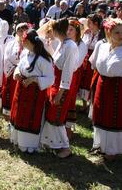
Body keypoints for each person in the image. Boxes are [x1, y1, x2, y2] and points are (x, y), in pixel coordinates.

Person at [89, 18, 122, 160]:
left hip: (118, 89)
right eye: (117, 32)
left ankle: (113, 150)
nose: (121, 35)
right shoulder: (102, 46)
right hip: (102, 85)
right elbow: (95, 64)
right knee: (100, 114)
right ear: (108, 32)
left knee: (114, 118)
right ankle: (100, 145)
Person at [10, 29, 54, 153]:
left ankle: (29, 144)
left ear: (29, 41)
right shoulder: (26, 53)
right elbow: (19, 66)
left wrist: (34, 79)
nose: (22, 43)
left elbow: (50, 79)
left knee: (30, 116)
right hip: (22, 90)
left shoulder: (44, 60)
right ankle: (18, 140)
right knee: (19, 114)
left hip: (34, 95)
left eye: (24, 41)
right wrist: (18, 73)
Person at [41, 18, 78, 158]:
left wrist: (61, 92)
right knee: (52, 114)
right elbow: (55, 60)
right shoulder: (62, 44)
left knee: (57, 116)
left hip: (63, 85)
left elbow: (68, 71)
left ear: (57, 30)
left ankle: (65, 147)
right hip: (55, 83)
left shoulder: (70, 46)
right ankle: (52, 143)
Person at [65, 19, 87, 138]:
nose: (68, 31)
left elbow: (76, 64)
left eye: (71, 29)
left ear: (76, 31)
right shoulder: (65, 41)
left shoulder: (81, 45)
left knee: (69, 98)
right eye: (67, 29)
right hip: (63, 71)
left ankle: (68, 128)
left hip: (72, 74)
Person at [1, 23, 29, 117]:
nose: (22, 33)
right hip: (12, 73)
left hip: (25, 74)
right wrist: (13, 69)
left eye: (24, 30)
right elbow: (6, 57)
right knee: (10, 94)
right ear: (16, 32)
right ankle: (9, 116)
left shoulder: (30, 43)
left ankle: (20, 115)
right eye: (20, 30)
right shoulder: (11, 43)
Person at [78, 14, 102, 110]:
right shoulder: (87, 33)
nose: (87, 24)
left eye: (89, 22)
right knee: (83, 81)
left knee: (91, 82)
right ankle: (84, 104)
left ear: (95, 23)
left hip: (94, 60)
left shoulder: (101, 35)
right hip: (85, 59)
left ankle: (90, 105)